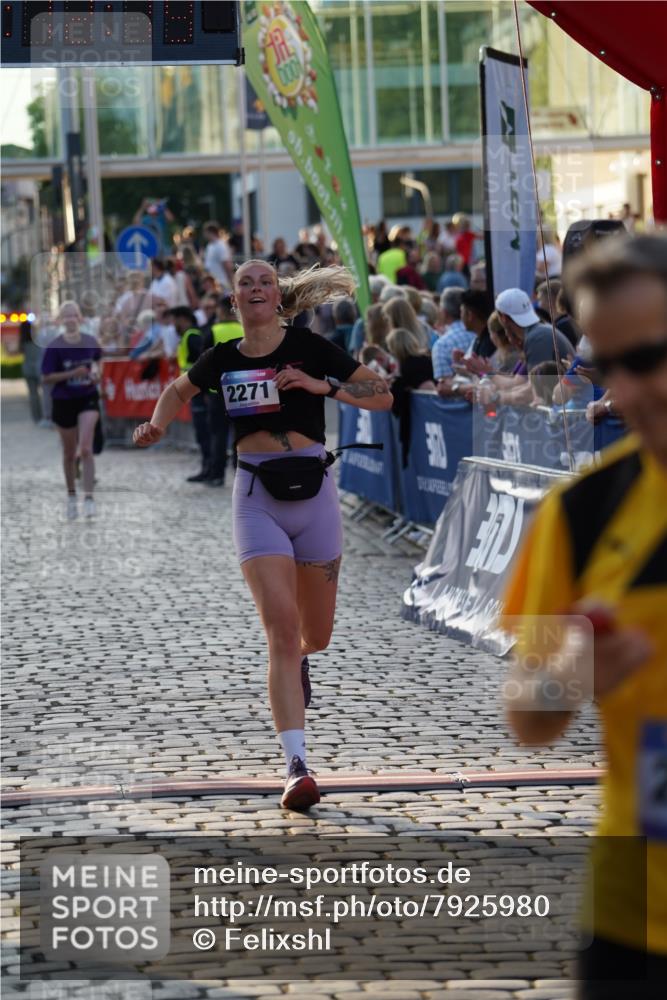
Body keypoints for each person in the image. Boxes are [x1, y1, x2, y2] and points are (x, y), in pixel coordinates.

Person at [133, 261, 393, 811]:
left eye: (264, 282)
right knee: (280, 630)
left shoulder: (310, 346)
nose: (255, 289)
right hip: (256, 499)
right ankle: (296, 766)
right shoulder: (222, 358)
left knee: (313, 637)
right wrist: (156, 424)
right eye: (245, 283)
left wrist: (321, 385)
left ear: (278, 297)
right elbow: (177, 393)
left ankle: (301, 658)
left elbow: (382, 394)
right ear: (233, 301)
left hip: (315, 493)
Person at [502, 233, 667, 998]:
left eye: (657, 354)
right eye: (617, 366)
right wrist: (574, 669)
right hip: (637, 921)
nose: (644, 387)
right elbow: (528, 714)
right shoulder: (579, 512)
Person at [41, 301, 101, 520]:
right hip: (64, 400)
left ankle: (90, 499)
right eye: (65, 316)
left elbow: (96, 363)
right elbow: (46, 378)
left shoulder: (90, 341)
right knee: (69, 453)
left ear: (80, 318)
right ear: (60, 321)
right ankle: (71, 496)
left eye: (73, 315)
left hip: (87, 397)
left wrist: (95, 373)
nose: (70, 319)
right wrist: (71, 374)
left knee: (85, 448)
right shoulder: (54, 347)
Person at [167, 306, 210, 483]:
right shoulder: (190, 336)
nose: (173, 325)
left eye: (175, 320)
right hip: (196, 389)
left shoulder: (192, 336)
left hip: (200, 389)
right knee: (202, 432)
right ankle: (207, 467)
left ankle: (209, 469)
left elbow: (203, 362)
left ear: (183, 319)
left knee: (204, 432)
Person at [432, 288, 473, 398]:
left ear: (444, 312)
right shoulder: (480, 333)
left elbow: (444, 386)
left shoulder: (442, 344)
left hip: (459, 410)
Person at [203, 222, 234, 293]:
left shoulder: (221, 245)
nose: (204, 235)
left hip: (222, 283)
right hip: (212, 284)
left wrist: (231, 281)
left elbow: (227, 264)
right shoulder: (210, 246)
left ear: (210, 232)